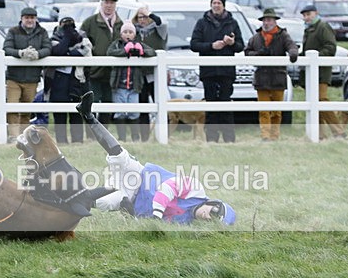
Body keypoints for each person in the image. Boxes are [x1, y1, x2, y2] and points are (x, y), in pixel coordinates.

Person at [74, 91, 235, 225]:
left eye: (212, 221)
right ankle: (88, 115)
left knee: (102, 202)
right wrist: (157, 217)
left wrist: (131, 216)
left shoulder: (186, 224)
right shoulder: (196, 189)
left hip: (130, 199)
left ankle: (64, 197)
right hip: (140, 175)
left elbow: (146, 224)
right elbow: (167, 188)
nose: (207, 217)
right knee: (119, 155)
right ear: (214, 203)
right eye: (213, 213)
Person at [190, 0, 244, 143]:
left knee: (226, 105)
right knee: (211, 105)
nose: (216, 5)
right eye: (214, 3)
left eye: (219, 3)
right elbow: (194, 44)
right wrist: (211, 46)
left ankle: (229, 139)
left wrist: (231, 43)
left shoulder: (232, 23)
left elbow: (240, 46)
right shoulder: (202, 23)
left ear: (223, 5)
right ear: (211, 5)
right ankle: (212, 138)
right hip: (209, 71)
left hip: (226, 71)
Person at [244, 7, 298, 142]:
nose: (266, 23)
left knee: (277, 111)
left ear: (275, 21)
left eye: (269, 20)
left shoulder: (283, 35)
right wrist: (256, 55)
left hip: (277, 78)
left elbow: (291, 46)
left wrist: (293, 53)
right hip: (261, 78)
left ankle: (275, 135)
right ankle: (265, 136)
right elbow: (246, 51)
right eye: (264, 20)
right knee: (263, 110)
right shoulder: (256, 37)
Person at [3, 6, 51, 140]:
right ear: (22, 19)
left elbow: (48, 48)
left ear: (35, 19)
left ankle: (24, 136)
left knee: (26, 109)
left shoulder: (42, 32)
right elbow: (6, 48)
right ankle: (13, 135)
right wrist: (20, 53)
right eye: (27, 18)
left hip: (32, 77)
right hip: (14, 77)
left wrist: (38, 54)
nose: (29, 20)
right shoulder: (13, 31)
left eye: (32, 18)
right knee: (12, 106)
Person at [300, 4, 346, 139]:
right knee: (314, 103)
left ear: (316, 13)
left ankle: (339, 131)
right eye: (304, 15)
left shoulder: (323, 27)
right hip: (310, 73)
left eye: (308, 14)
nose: (306, 17)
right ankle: (319, 134)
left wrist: (315, 58)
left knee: (321, 100)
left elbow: (331, 47)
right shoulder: (308, 30)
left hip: (321, 72)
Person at [106, 21, 156, 141]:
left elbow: (152, 52)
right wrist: (125, 51)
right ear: (121, 33)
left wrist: (142, 52)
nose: (128, 34)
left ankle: (135, 137)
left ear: (134, 34)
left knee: (134, 112)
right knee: (120, 112)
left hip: (134, 86)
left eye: (130, 32)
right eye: (125, 32)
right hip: (119, 85)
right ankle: (122, 138)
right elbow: (109, 52)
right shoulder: (117, 44)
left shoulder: (139, 44)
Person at [47, 16, 92, 144]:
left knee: (77, 111)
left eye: (70, 24)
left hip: (77, 79)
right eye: (65, 24)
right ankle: (61, 141)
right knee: (60, 113)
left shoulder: (82, 36)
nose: (68, 27)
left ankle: (78, 141)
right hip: (58, 80)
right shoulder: (54, 37)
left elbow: (86, 51)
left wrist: (69, 51)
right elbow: (58, 51)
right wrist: (67, 37)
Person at [80, 0, 123, 126]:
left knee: (108, 102)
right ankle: (92, 130)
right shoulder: (90, 22)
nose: (109, 6)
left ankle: (105, 131)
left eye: (112, 3)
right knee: (93, 100)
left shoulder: (121, 24)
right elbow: (81, 43)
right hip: (94, 71)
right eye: (106, 2)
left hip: (113, 72)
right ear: (102, 3)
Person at [132, 4, 167, 141]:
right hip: (139, 74)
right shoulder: (134, 32)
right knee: (143, 106)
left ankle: (162, 135)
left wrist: (149, 13)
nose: (142, 19)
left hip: (155, 74)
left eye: (145, 17)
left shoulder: (159, 29)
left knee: (160, 104)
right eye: (140, 17)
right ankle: (144, 137)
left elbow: (160, 22)